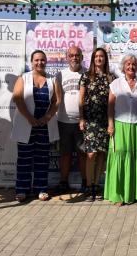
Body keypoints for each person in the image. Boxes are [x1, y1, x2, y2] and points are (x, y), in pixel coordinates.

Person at [11, 50, 62, 202]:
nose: (39, 63)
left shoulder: (53, 79)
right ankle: (22, 190)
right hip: (26, 124)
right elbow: (18, 99)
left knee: (42, 158)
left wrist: (47, 117)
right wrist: (30, 118)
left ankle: (41, 189)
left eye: (42, 60)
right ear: (31, 62)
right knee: (24, 158)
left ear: (46, 62)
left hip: (45, 125)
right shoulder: (23, 78)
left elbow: (57, 101)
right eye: (36, 60)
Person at [104, 55, 137, 205]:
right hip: (119, 125)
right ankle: (119, 194)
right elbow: (110, 107)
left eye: (133, 64)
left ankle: (134, 193)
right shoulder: (116, 84)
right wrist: (110, 124)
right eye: (128, 64)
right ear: (123, 67)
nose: (131, 67)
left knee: (136, 157)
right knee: (119, 155)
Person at [79, 47, 115, 201]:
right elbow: (81, 99)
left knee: (101, 154)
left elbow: (113, 101)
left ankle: (96, 185)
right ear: (93, 59)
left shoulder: (111, 78)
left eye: (101, 56)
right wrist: (81, 118)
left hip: (104, 120)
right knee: (91, 153)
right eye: (96, 56)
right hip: (91, 120)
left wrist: (110, 122)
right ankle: (88, 185)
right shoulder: (86, 76)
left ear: (105, 59)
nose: (99, 59)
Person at [56, 46, 87, 194]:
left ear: (81, 57)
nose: (74, 58)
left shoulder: (87, 73)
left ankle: (85, 182)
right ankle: (63, 182)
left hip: (82, 122)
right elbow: (56, 98)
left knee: (83, 153)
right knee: (65, 154)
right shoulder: (60, 75)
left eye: (77, 55)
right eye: (71, 55)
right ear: (67, 57)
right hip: (63, 121)